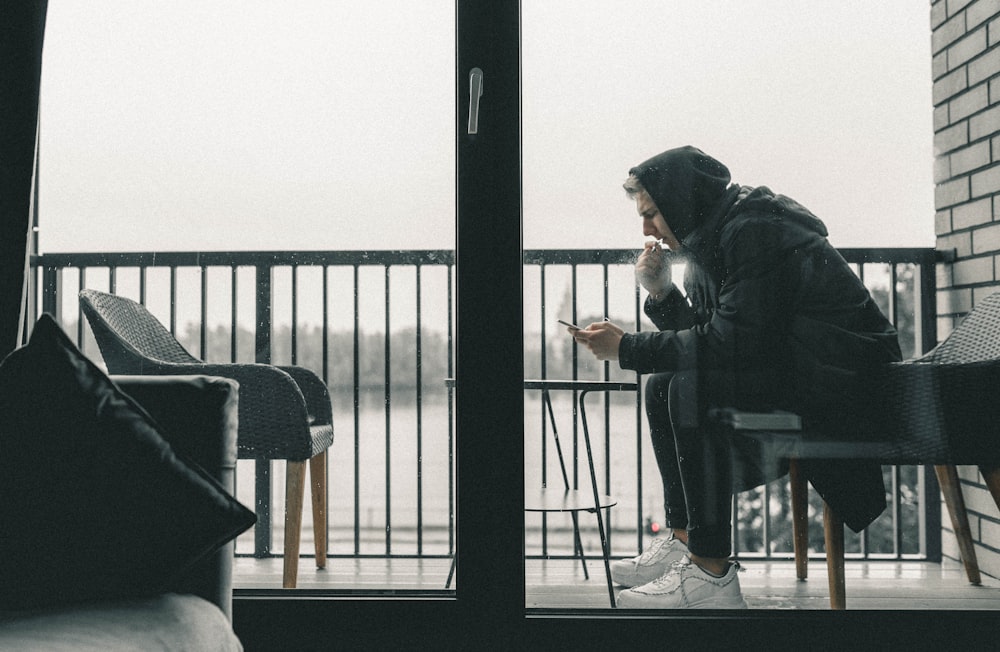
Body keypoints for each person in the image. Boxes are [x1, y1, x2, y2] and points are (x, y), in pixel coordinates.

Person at [569, 145, 901, 609]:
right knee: (664, 383)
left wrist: (627, 347)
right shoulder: (717, 239)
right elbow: (717, 343)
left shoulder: (755, 232)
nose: (645, 229)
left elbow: (729, 346)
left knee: (686, 384)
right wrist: (662, 291)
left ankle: (711, 572)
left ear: (682, 205)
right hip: (806, 374)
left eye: (652, 214)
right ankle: (687, 542)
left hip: (848, 387)